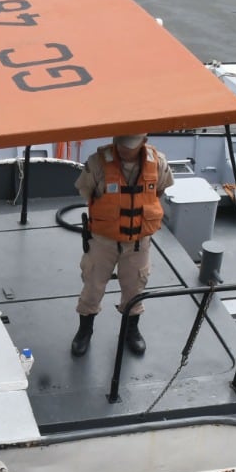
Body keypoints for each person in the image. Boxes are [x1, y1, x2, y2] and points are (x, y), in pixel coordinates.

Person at [71, 133, 173, 357]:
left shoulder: (158, 163)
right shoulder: (97, 164)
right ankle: (84, 330)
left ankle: (131, 330)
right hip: (102, 241)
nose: (127, 150)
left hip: (138, 243)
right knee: (92, 285)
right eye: (123, 145)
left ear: (144, 141)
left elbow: (159, 191)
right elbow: (87, 192)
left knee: (135, 286)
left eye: (132, 146)